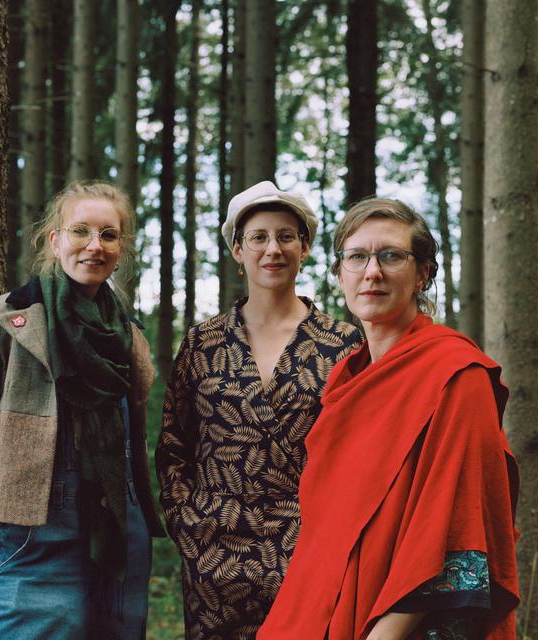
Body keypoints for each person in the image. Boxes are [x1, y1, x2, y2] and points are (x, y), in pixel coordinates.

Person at [258, 198, 520, 640]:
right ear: (340, 274)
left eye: (392, 256)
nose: (372, 272)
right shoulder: (345, 381)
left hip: (404, 626)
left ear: (423, 274)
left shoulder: (457, 373)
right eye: (357, 257)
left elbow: (462, 528)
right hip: (324, 611)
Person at [0, 181, 165, 640]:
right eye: (80, 230)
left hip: (117, 531)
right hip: (27, 530)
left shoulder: (128, 335)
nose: (94, 245)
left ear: (120, 248)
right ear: (55, 239)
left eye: (108, 234)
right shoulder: (2, 318)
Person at [155, 180, 362, 640]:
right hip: (215, 557)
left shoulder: (343, 345)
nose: (273, 249)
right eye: (259, 237)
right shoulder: (202, 343)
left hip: (310, 554)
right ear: (237, 250)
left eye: (286, 236)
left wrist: (337, 539)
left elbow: (360, 455)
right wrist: (189, 526)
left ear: (304, 247)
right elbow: (173, 446)